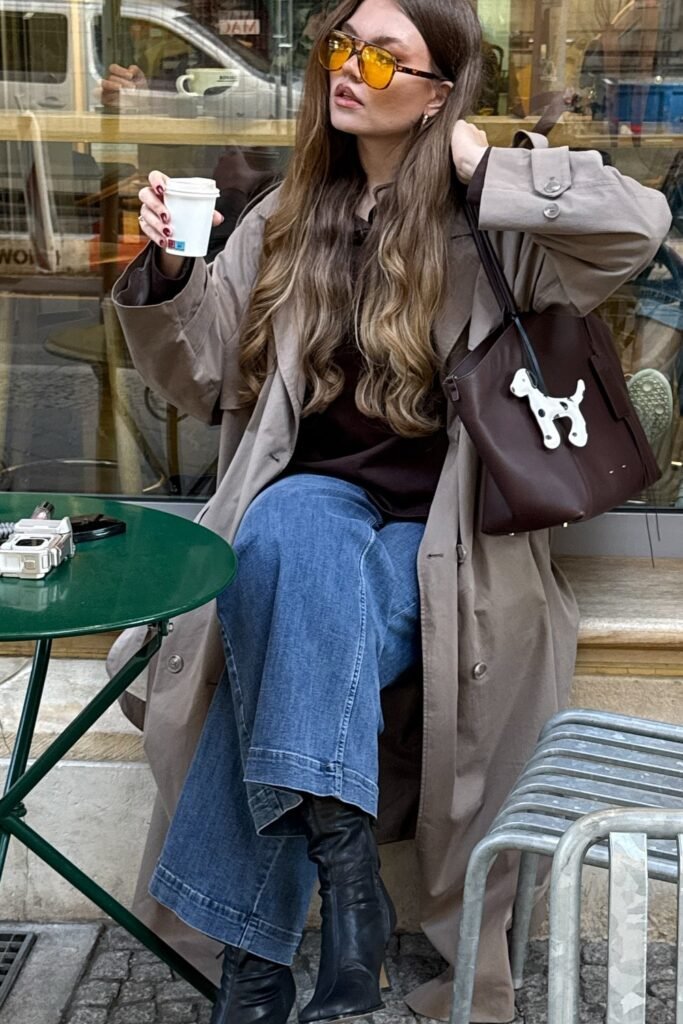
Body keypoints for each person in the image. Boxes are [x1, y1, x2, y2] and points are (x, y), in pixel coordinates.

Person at [109, 0, 671, 1021]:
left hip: (450, 530)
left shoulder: (494, 223)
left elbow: (638, 228)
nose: (349, 68)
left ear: (438, 91)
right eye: (340, 45)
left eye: (384, 55)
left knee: (283, 595)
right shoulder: (288, 214)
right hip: (316, 497)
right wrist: (173, 273)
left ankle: (256, 962)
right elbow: (197, 377)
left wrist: (484, 164)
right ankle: (350, 895)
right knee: (281, 532)